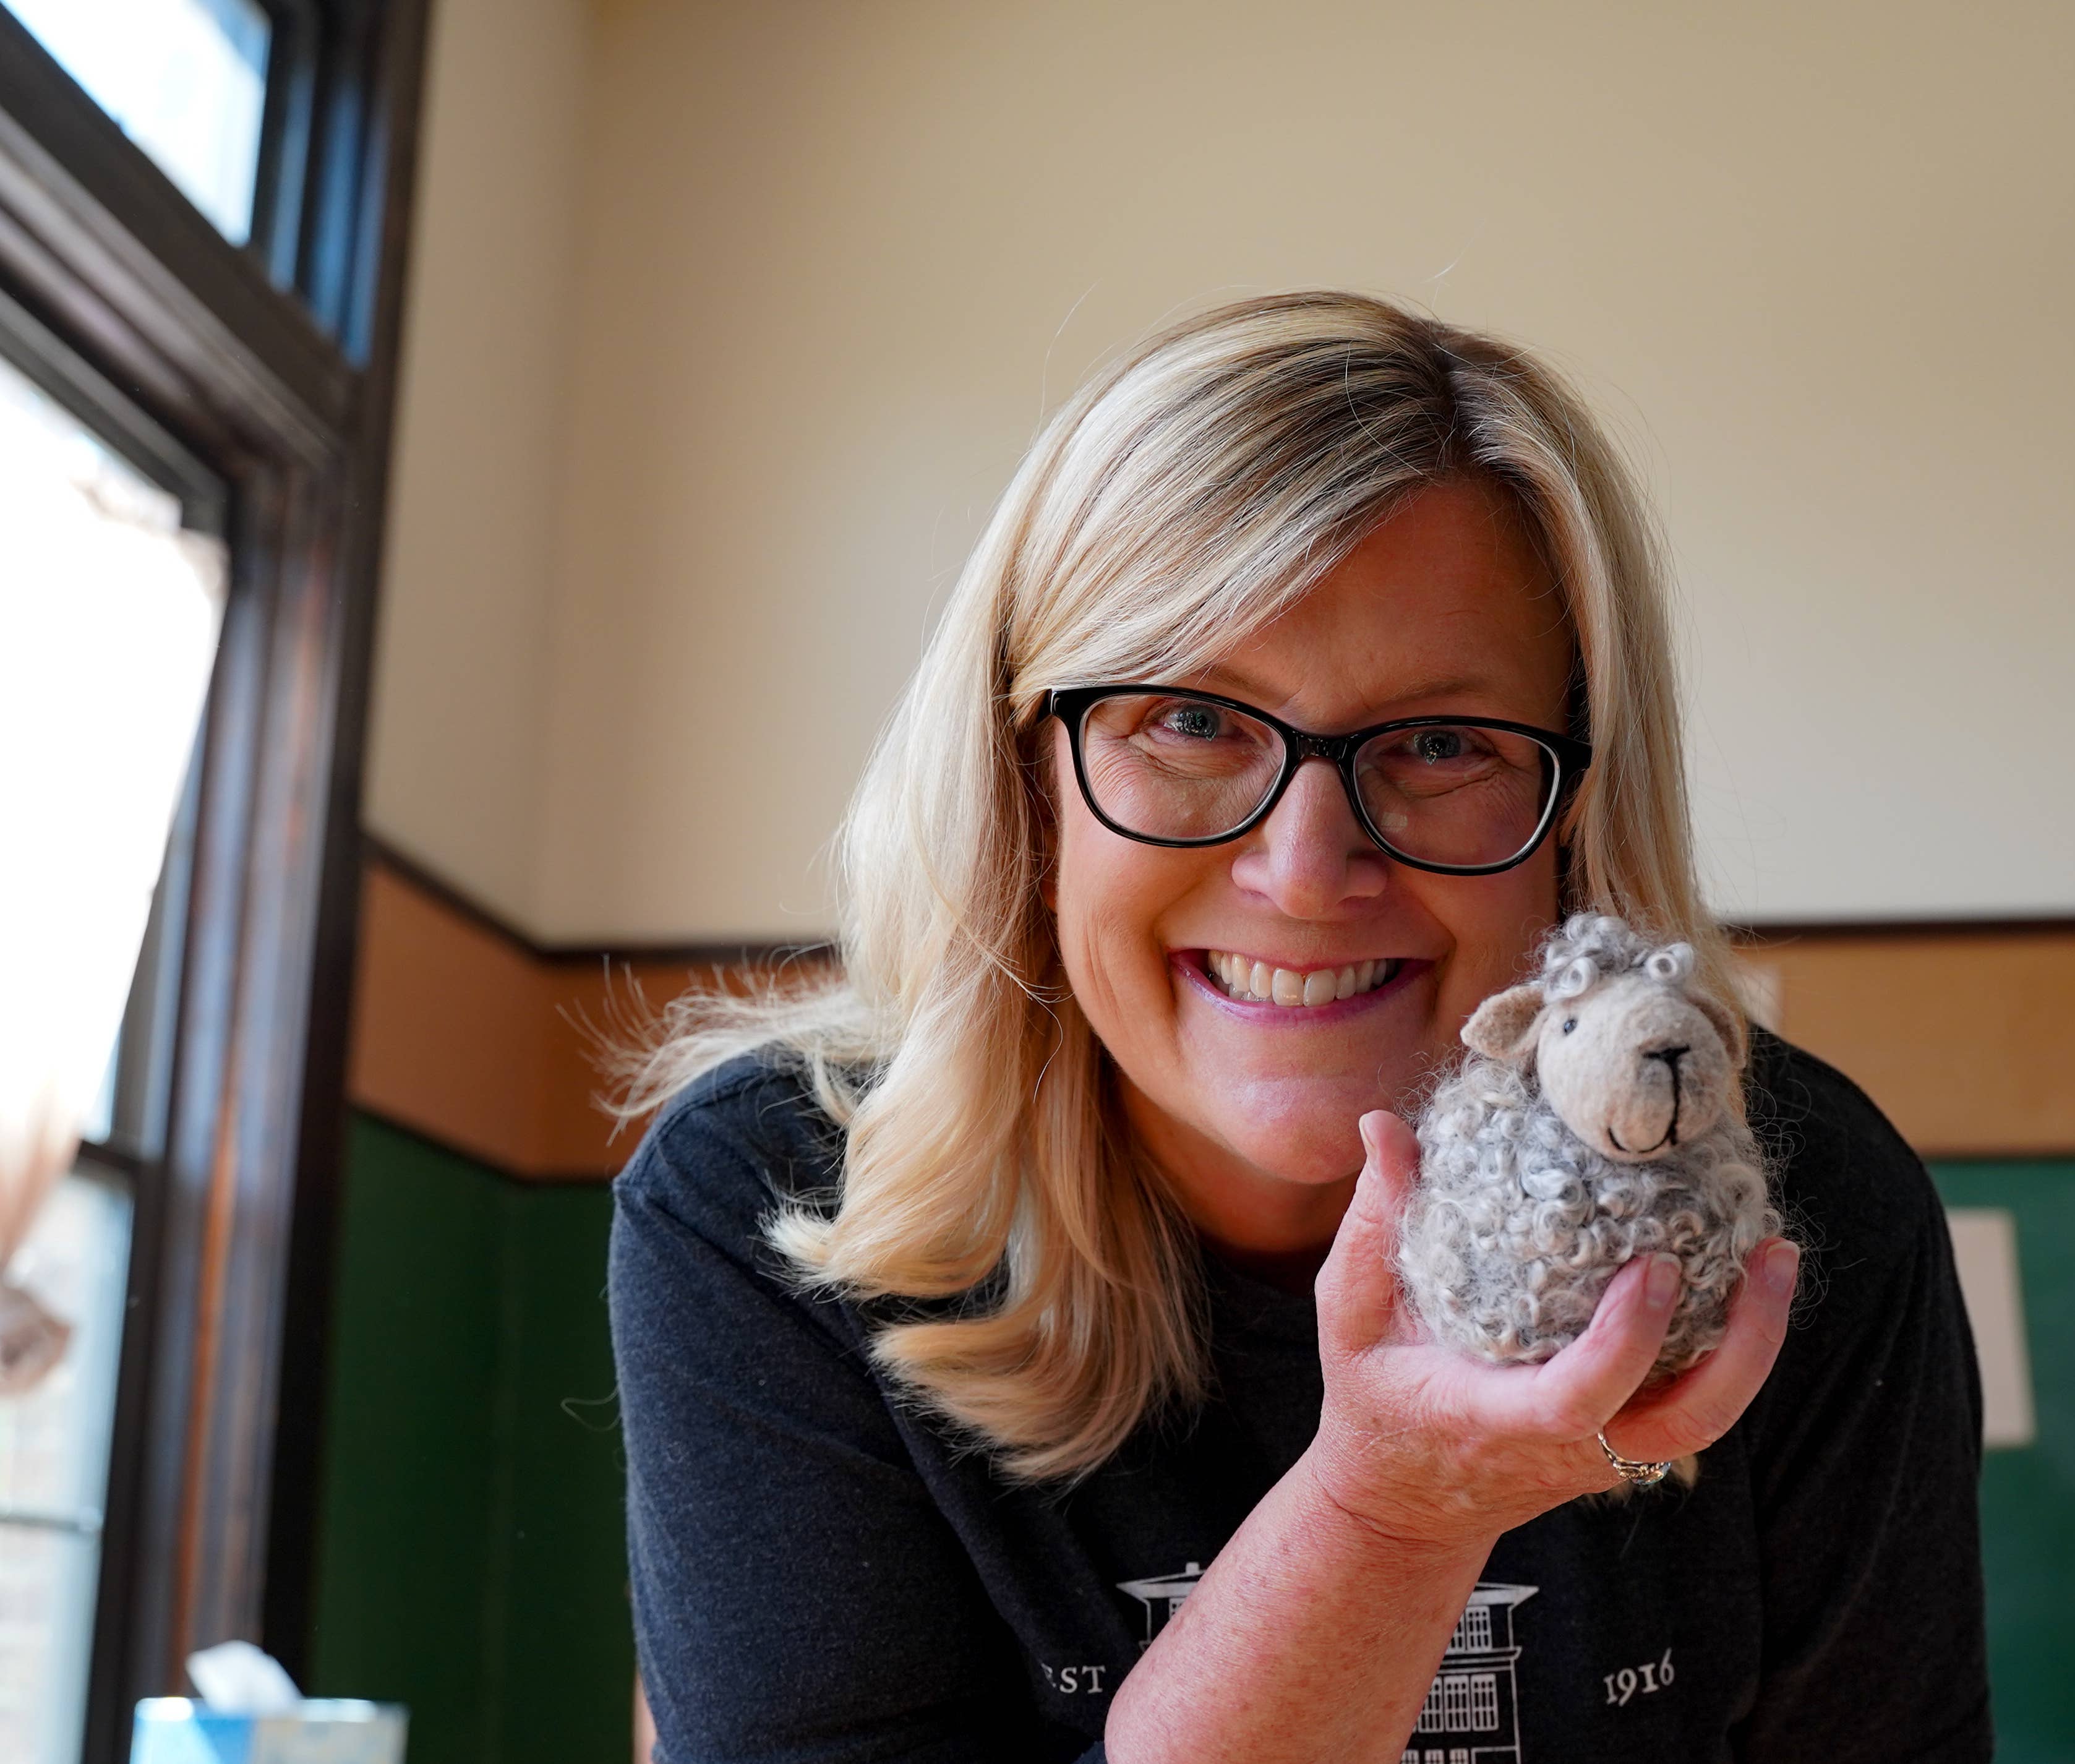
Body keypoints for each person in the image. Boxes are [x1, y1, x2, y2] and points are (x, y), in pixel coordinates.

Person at [607, 291, 1992, 1763]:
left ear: (1576, 819)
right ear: (1028, 783)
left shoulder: (1791, 1205)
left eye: (1442, 743)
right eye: (1192, 720)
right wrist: (1389, 1518)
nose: (1308, 870)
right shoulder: (773, 1205)